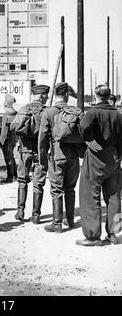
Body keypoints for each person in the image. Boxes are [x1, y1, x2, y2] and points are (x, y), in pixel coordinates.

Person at [76, 85, 122, 246]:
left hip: (96, 157)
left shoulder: (93, 112)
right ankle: (114, 234)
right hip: (113, 157)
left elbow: (83, 127)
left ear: (96, 96)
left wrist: (89, 140)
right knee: (114, 196)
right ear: (109, 96)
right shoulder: (118, 114)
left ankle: (92, 236)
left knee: (90, 195)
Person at [39, 82, 83, 233]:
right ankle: (70, 221)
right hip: (74, 156)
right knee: (70, 188)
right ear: (66, 95)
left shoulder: (49, 112)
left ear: (55, 95)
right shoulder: (76, 111)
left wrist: (42, 159)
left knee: (56, 189)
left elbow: (42, 138)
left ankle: (57, 223)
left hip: (56, 155)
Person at [11, 84, 50, 223]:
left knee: (22, 179)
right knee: (38, 182)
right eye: (46, 95)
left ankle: (20, 212)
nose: (47, 98)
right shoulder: (47, 111)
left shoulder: (24, 109)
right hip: (41, 150)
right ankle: (36, 215)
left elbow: (14, 126)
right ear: (42, 95)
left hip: (25, 149)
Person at [0, 94, 18, 183]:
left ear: (7, 102)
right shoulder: (16, 113)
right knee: (11, 156)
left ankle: (10, 176)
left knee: (8, 158)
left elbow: (5, 129)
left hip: (7, 139)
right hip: (13, 138)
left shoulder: (7, 114)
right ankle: (14, 174)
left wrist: (2, 140)